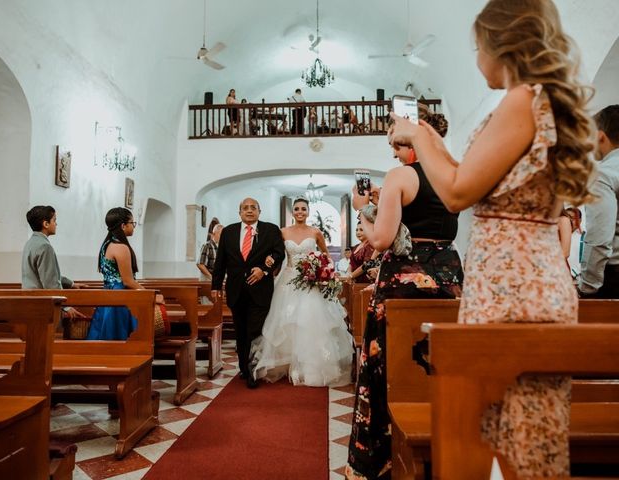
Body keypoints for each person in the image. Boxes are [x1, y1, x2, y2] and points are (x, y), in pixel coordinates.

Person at [387, 0, 596, 476]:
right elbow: (466, 179)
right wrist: (428, 139)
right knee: (512, 438)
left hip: (515, 285)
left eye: (476, 46)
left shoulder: (524, 97)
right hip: (517, 276)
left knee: (520, 443)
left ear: (500, 43)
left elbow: (458, 193)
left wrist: (418, 139)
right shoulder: (534, 98)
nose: (476, 58)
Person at [346, 107, 462, 480]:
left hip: (405, 278)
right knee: (439, 363)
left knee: (388, 365)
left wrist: (364, 210)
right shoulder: (454, 172)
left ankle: (379, 459)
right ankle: (444, 450)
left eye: (396, 145)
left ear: (411, 141)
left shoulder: (401, 176)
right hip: (447, 274)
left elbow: (381, 239)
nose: (394, 154)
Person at [250, 197, 354, 386]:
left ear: (308, 211)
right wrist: (269, 266)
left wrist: (324, 271)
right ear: (293, 212)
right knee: (287, 322)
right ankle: (287, 364)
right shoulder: (282, 232)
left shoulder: (315, 232)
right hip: (288, 281)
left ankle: (311, 367)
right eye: (296, 209)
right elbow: (277, 254)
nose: (299, 212)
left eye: (303, 209)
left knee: (310, 321)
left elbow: (326, 256)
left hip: (310, 283)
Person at [211, 198, 285, 388]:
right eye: (245, 208)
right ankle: (244, 367)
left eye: (253, 208)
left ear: (259, 211)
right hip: (236, 290)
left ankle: (254, 369)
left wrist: (264, 270)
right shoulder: (229, 232)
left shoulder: (270, 230)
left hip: (260, 289)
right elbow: (221, 261)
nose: (249, 211)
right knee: (241, 331)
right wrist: (215, 286)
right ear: (240, 212)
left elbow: (279, 254)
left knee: (255, 330)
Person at [87, 207, 163, 340]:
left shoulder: (107, 244)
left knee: (106, 335)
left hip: (108, 294)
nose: (134, 227)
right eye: (132, 223)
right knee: (120, 337)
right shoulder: (121, 247)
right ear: (123, 225)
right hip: (120, 297)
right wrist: (150, 295)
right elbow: (127, 281)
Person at [579, 105, 619, 298]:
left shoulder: (603, 174)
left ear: (601, 136)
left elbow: (599, 239)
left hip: (614, 277)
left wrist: (587, 287)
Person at [22, 205, 84, 320]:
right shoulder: (45, 246)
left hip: (29, 300)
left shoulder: (30, 243)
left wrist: (71, 284)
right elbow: (50, 281)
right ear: (45, 224)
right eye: (54, 220)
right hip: (42, 304)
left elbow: (47, 273)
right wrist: (66, 307)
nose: (56, 224)